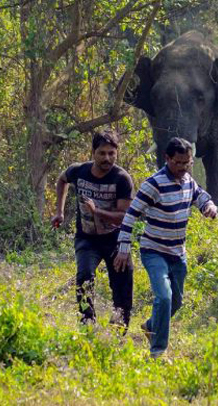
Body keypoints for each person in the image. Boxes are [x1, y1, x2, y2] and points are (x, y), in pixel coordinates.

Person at [114, 137, 218, 358]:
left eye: (187, 163)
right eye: (178, 163)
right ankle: (158, 350)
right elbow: (130, 215)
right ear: (167, 158)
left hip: (178, 252)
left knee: (177, 301)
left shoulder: (188, 180)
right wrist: (124, 248)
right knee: (164, 296)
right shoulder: (154, 184)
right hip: (154, 250)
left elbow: (200, 197)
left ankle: (151, 325)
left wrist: (209, 207)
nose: (182, 168)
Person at [51, 130, 134, 328]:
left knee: (122, 285)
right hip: (87, 238)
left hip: (115, 240)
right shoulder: (79, 171)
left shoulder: (122, 179)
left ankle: (117, 329)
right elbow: (62, 180)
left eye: (111, 153)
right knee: (84, 277)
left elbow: (124, 216)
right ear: (93, 152)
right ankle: (87, 324)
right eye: (102, 153)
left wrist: (98, 212)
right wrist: (59, 212)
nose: (107, 158)